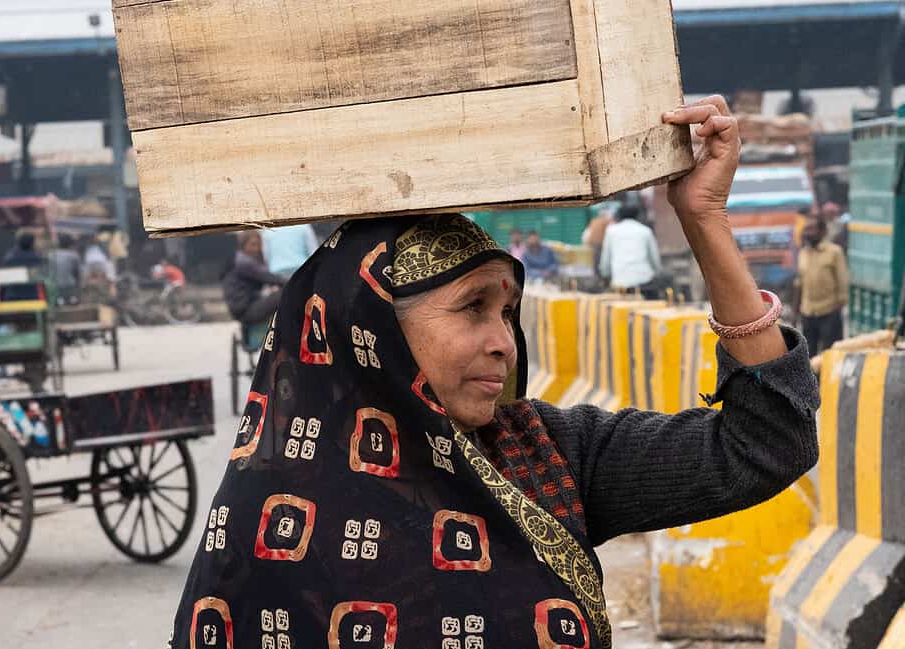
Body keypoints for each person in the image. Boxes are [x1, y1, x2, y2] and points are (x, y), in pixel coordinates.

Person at [168, 97, 819, 649]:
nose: (504, 340)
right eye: (473, 307)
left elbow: (765, 443)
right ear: (372, 328)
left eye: (508, 310)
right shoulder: (268, 522)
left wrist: (704, 220)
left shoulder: (546, 454)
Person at [794, 216, 849, 355]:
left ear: (823, 231)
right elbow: (799, 283)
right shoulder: (803, 253)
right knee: (808, 355)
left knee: (830, 353)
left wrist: (837, 307)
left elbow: (842, 282)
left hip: (829, 311)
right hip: (808, 312)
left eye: (812, 229)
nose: (808, 233)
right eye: (806, 229)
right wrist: (796, 312)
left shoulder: (834, 252)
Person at [599, 203, 664, 298]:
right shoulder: (645, 231)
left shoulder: (611, 231)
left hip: (620, 283)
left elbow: (605, 260)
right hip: (644, 282)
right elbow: (655, 259)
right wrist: (657, 272)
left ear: (619, 216)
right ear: (638, 216)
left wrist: (605, 275)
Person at [221, 230, 286, 324]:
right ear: (243, 245)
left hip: (244, 308)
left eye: (259, 245)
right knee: (285, 293)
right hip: (246, 310)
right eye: (253, 244)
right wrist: (294, 283)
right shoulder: (244, 262)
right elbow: (271, 278)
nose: (257, 248)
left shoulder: (240, 259)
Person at [582, 204, 614, 280]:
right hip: (602, 246)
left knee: (596, 264)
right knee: (604, 264)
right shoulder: (608, 222)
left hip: (593, 245)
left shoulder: (594, 221)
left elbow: (585, 236)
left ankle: (598, 280)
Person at [48, 234, 82, 303]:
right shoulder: (73, 255)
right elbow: (77, 273)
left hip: (54, 286)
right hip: (69, 286)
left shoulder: (51, 254)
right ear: (70, 244)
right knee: (73, 301)